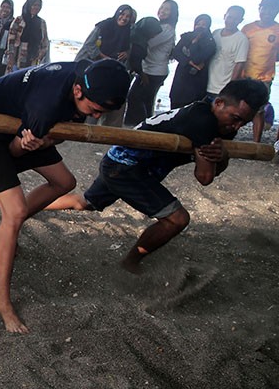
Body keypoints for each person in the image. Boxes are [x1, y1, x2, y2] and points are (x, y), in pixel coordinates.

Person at [0, 59, 129, 333]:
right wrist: (34, 141)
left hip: (24, 124)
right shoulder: (46, 106)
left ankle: (3, 231)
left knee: (64, 181)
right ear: (77, 91)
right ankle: (3, 304)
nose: (97, 117)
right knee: (14, 213)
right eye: (95, 110)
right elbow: (14, 152)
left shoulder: (91, 72)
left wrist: (45, 140)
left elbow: (59, 133)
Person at [47, 79, 268, 274]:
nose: (237, 126)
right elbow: (205, 177)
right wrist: (223, 156)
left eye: (243, 122)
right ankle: (130, 262)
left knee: (85, 203)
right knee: (177, 219)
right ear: (219, 103)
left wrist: (223, 156)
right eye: (236, 118)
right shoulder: (204, 121)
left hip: (121, 161)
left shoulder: (222, 122)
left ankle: (31, 206)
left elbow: (213, 169)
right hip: (126, 166)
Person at [124, 0, 178, 126]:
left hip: (155, 71)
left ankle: (138, 126)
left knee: (135, 97)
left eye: (167, 9)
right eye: (162, 7)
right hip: (149, 69)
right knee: (145, 101)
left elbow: (147, 44)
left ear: (173, 14)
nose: (162, 10)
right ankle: (146, 126)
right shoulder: (159, 26)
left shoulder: (167, 29)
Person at [241, 0, 279, 143]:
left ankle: (256, 141)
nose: (268, 12)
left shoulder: (277, 30)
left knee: (259, 110)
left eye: (273, 9)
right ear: (259, 8)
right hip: (244, 76)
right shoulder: (248, 28)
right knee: (239, 106)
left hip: (265, 77)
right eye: (265, 8)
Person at [168, 14, 216, 108]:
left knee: (191, 108)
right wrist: (189, 62)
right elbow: (176, 53)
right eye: (198, 24)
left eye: (203, 25)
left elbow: (197, 59)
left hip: (196, 81)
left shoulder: (210, 43)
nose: (200, 27)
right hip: (181, 78)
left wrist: (194, 44)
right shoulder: (186, 37)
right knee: (175, 106)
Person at [205, 6, 249, 101]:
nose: (231, 21)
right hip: (206, 84)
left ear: (241, 20)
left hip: (222, 89)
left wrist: (229, 89)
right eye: (230, 17)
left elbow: (239, 64)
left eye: (236, 19)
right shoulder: (215, 33)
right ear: (225, 16)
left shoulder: (241, 39)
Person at [5, 0, 49, 72]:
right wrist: (11, 56)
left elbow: (45, 41)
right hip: (17, 57)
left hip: (33, 59)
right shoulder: (19, 20)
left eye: (38, 5)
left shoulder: (41, 23)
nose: (36, 7)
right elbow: (11, 39)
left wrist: (40, 55)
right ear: (29, 5)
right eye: (34, 5)